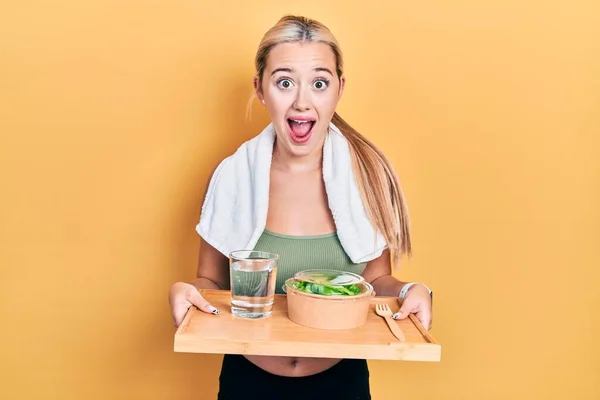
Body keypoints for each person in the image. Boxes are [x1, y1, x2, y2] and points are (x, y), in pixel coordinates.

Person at [168, 15, 433, 400]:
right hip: (247, 380)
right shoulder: (232, 176)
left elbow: (376, 281)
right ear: (260, 89)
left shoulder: (367, 177)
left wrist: (412, 289)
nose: (302, 101)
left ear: (339, 89)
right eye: (285, 82)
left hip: (342, 382)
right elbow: (210, 283)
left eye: (319, 83)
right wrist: (186, 292)